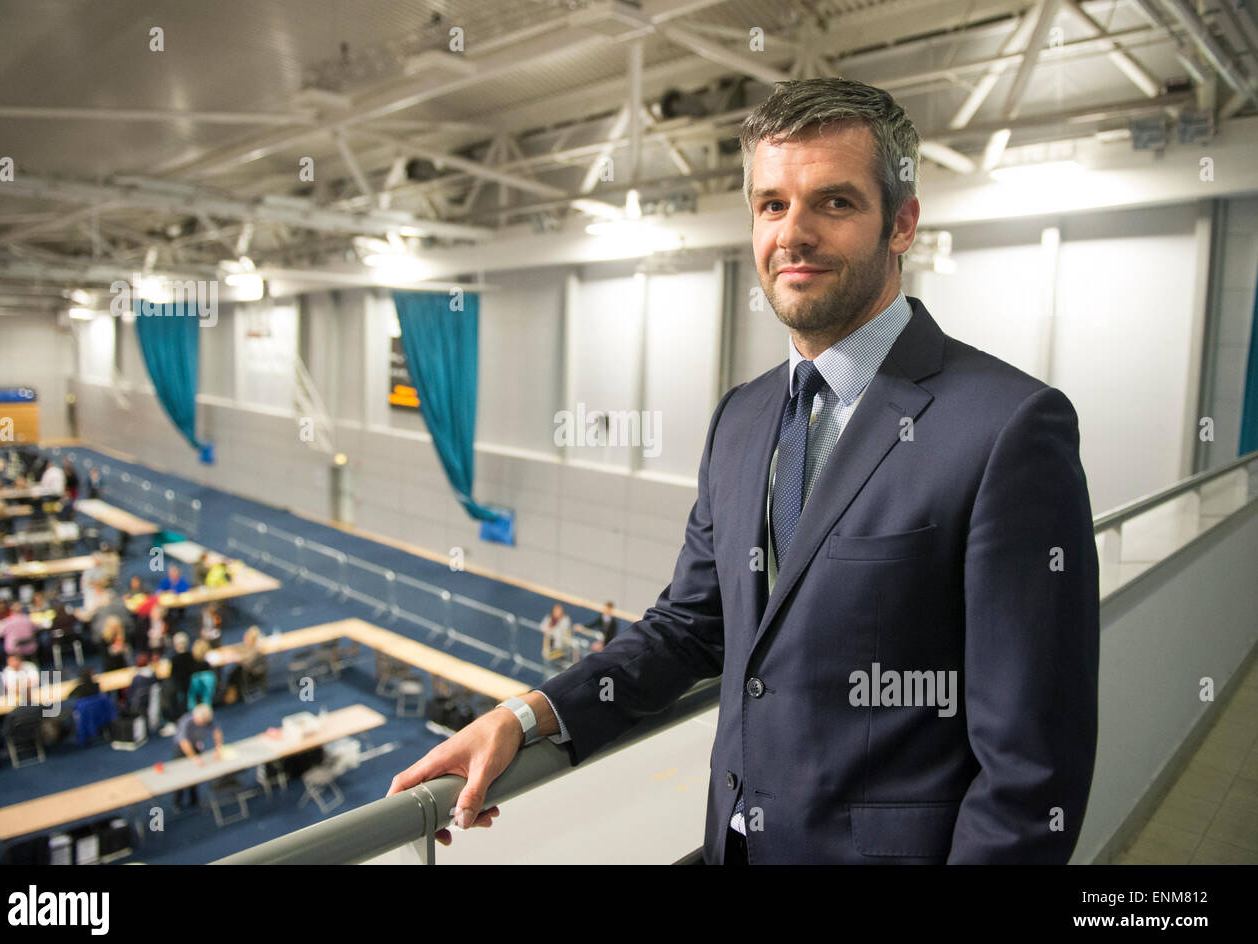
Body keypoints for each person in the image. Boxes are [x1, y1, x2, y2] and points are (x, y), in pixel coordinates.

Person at [388, 78, 1100, 864]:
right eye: (771, 204)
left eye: (833, 202)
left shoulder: (1006, 427)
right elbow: (690, 627)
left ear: (901, 223)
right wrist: (526, 717)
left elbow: (1033, 771)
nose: (793, 233)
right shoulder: (743, 416)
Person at [171, 703, 224, 810]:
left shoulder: (206, 718)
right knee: (181, 776)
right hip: (182, 749)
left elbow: (217, 731)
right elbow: (184, 742)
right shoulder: (186, 721)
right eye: (201, 722)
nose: (203, 724)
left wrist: (218, 748)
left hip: (196, 745)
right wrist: (194, 757)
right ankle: (176, 803)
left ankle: (194, 800)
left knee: (195, 775)